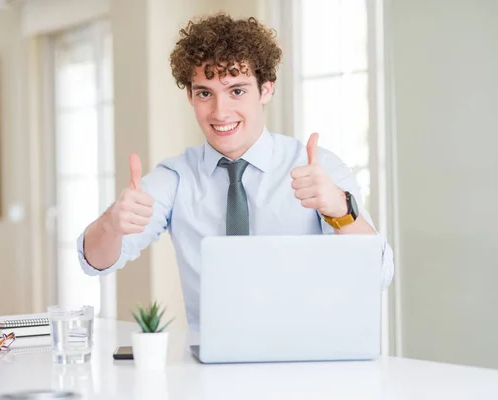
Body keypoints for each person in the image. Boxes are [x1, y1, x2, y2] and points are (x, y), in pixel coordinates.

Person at [77, 13, 394, 331]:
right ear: (190, 96)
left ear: (266, 90)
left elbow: (377, 276)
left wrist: (341, 210)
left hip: (306, 365)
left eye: (237, 91)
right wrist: (112, 223)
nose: (220, 111)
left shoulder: (318, 169)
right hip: (209, 370)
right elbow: (94, 262)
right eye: (205, 93)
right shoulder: (175, 178)